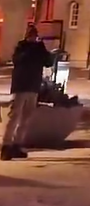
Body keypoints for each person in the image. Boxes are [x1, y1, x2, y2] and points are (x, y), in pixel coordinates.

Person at [1, 24, 53, 160]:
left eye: (35, 35)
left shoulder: (39, 49)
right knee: (14, 116)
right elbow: (18, 60)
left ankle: (17, 144)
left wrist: (43, 50)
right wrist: (33, 49)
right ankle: (6, 145)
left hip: (33, 87)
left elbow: (49, 62)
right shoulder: (21, 47)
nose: (33, 38)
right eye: (31, 35)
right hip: (21, 86)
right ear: (27, 36)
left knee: (26, 118)